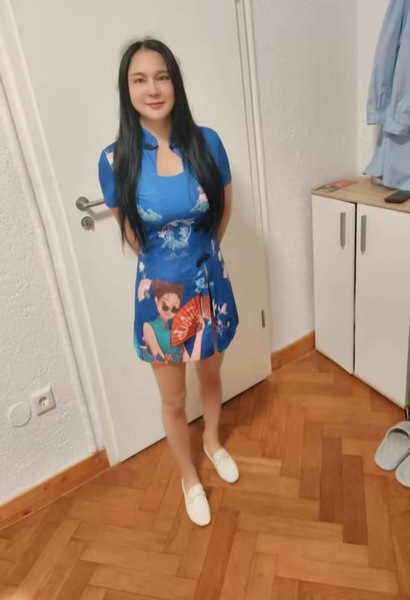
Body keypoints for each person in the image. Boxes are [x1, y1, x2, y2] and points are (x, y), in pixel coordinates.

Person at [98, 38, 239, 526]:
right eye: (140, 80)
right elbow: (132, 235)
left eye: (162, 77)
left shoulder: (208, 142)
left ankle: (213, 440)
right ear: (127, 89)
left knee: (211, 376)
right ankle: (188, 477)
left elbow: (222, 212)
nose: (153, 89)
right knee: (174, 399)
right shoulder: (115, 159)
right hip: (159, 297)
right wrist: (170, 268)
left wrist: (201, 259)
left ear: (175, 82)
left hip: (210, 286)